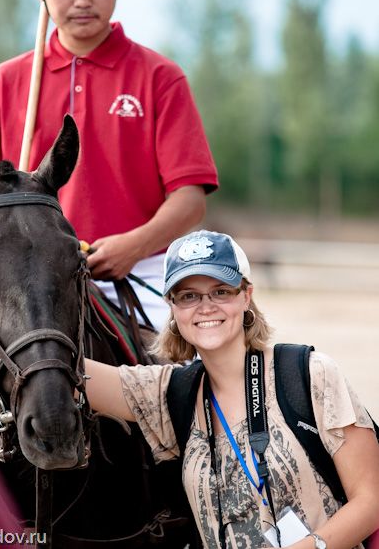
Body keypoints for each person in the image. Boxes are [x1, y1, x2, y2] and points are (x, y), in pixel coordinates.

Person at [0, 0, 218, 331]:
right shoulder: (6, 81)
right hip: (20, 283)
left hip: (136, 275)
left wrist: (133, 246)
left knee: (195, 380)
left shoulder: (160, 77)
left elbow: (190, 199)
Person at [84, 229, 379, 548]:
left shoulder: (309, 374)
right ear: (173, 307)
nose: (206, 307)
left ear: (246, 295)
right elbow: (64, 372)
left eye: (221, 291)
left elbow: (371, 500)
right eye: (188, 296)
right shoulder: (170, 394)